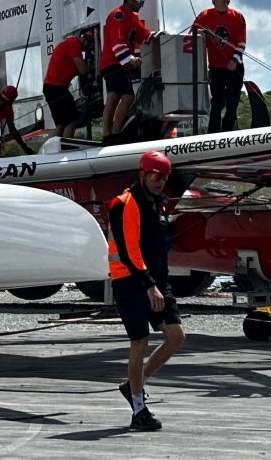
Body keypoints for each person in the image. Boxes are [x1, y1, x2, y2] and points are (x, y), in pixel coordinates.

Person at [107, 150, 186, 431]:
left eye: (164, 177)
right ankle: (138, 410)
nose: (159, 181)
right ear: (141, 174)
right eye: (154, 176)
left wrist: (157, 282)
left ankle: (133, 386)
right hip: (130, 281)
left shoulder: (157, 204)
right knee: (140, 342)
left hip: (156, 281)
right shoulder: (124, 203)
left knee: (176, 337)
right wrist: (149, 285)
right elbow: (129, 251)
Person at [99, 0, 158, 145]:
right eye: (140, 2)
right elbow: (117, 43)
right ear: (131, 0)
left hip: (117, 64)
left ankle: (107, 135)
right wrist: (130, 60)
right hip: (113, 63)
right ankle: (115, 134)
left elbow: (142, 35)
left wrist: (157, 35)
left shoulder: (133, 17)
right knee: (128, 97)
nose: (141, 5)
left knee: (112, 97)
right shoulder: (118, 15)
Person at [191, 0, 246, 132]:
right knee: (217, 102)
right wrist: (201, 33)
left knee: (232, 102)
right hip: (216, 68)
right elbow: (192, 34)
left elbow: (241, 42)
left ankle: (228, 132)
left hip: (234, 66)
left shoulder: (237, 16)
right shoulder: (205, 15)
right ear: (213, 0)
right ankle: (213, 134)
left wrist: (234, 60)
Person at [44, 29, 96, 138]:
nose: (90, 49)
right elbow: (83, 70)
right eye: (91, 46)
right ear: (87, 40)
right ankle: (67, 149)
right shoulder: (74, 44)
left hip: (50, 87)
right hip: (57, 88)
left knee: (61, 124)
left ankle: (56, 150)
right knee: (73, 120)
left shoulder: (69, 42)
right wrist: (96, 66)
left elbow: (76, 70)